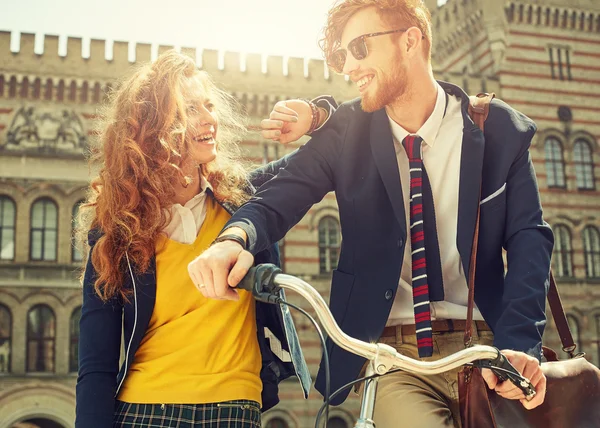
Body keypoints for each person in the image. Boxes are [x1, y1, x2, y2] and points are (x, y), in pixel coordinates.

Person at [189, 0, 553, 426]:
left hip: (488, 347)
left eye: (360, 47)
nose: (347, 68)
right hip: (394, 359)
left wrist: (519, 344)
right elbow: (279, 196)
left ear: (410, 41)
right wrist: (236, 238)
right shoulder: (348, 132)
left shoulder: (499, 129)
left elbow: (530, 238)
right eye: (341, 56)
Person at [75, 50, 311, 428]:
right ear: (151, 127)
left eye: (210, 106)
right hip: (142, 411)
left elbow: (325, 158)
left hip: (234, 408)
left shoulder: (245, 202)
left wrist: (316, 116)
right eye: (191, 109)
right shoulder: (117, 228)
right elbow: (96, 361)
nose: (209, 119)